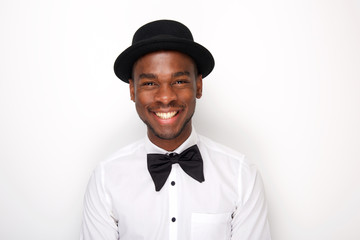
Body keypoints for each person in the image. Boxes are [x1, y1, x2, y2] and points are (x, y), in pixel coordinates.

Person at [80, 19, 271, 240]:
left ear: (198, 86)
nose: (166, 97)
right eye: (150, 84)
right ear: (132, 90)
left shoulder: (241, 176)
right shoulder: (105, 179)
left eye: (179, 81)